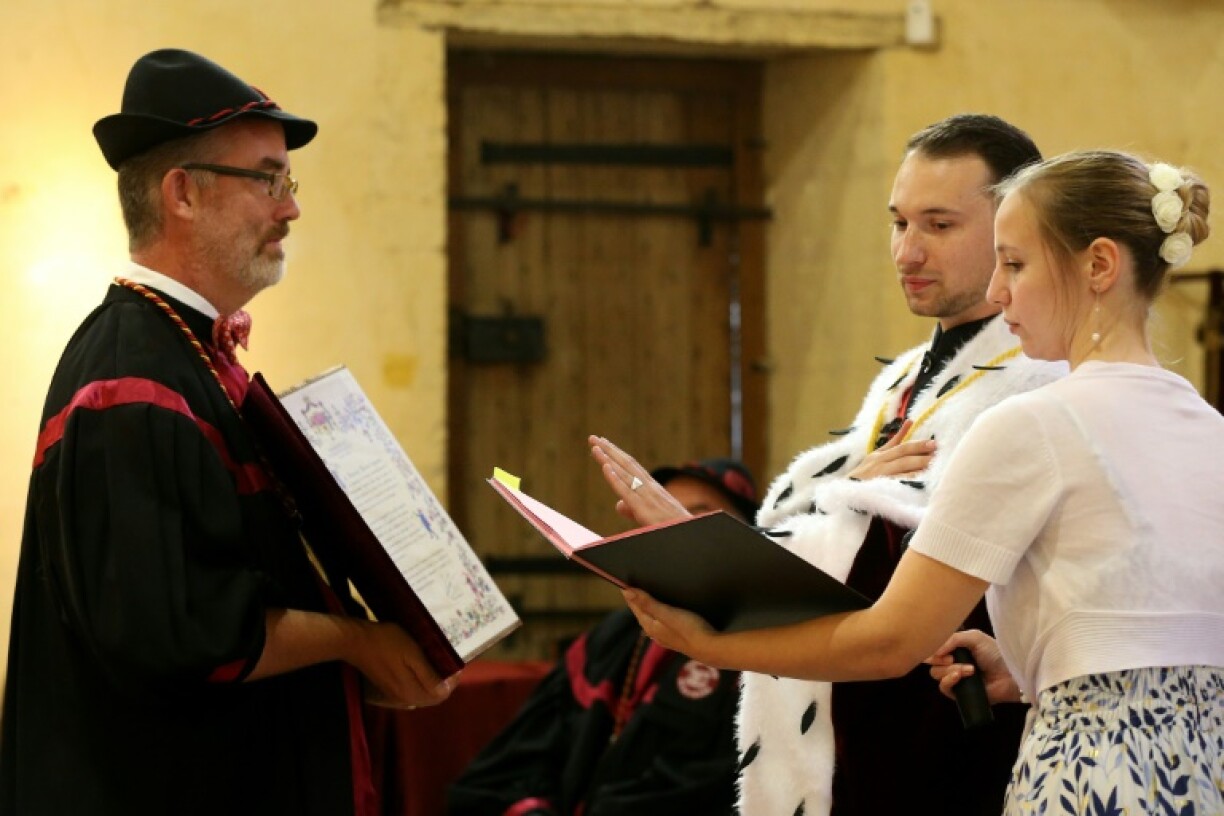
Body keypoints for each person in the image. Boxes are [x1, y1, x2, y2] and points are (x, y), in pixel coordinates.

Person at [606, 149, 1224, 813]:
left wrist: (711, 643)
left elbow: (890, 641)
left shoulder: (1033, 423)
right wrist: (1024, 669)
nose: (997, 292)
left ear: (1099, 265)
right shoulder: (1207, 426)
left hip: (1095, 774)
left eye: (1014, 264)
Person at [0, 49, 452, 816]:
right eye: (268, 179)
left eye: (289, 182)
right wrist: (353, 639)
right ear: (182, 194)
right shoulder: (130, 380)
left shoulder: (189, 355)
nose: (291, 208)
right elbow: (176, 628)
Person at [589, 114, 1069, 816]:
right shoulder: (907, 377)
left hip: (949, 730)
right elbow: (840, 531)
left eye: (938, 225)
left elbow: (898, 567)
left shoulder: (1040, 380)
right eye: (899, 222)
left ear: (1013, 228)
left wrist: (739, 564)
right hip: (848, 725)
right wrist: (706, 548)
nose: (907, 251)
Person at [447, 459, 761, 816]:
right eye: (659, 522)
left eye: (696, 519)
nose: (673, 536)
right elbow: (520, 759)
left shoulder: (765, 651)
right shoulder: (612, 640)